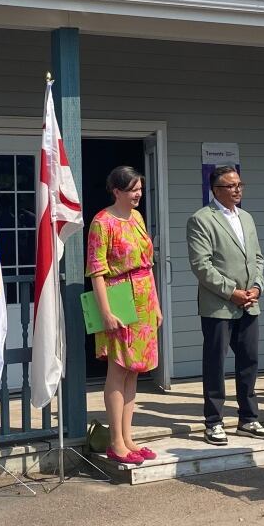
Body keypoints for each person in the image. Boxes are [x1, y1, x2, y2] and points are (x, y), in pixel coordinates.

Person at [187, 165, 264, 445]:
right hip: (219, 305)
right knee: (215, 363)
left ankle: (249, 419)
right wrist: (232, 291)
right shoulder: (202, 219)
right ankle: (214, 421)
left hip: (249, 303)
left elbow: (257, 258)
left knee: (249, 362)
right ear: (216, 190)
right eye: (231, 186)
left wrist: (257, 287)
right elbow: (202, 265)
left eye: (239, 185)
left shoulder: (246, 218)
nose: (237, 190)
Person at [85, 166, 163, 465]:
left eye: (140, 189)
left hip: (143, 296)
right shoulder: (102, 223)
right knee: (118, 369)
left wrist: (155, 303)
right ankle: (115, 441)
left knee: (134, 370)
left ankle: (128, 437)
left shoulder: (138, 218)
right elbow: (96, 270)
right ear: (116, 191)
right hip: (118, 296)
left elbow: (148, 263)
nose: (138, 194)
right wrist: (105, 311)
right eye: (132, 189)